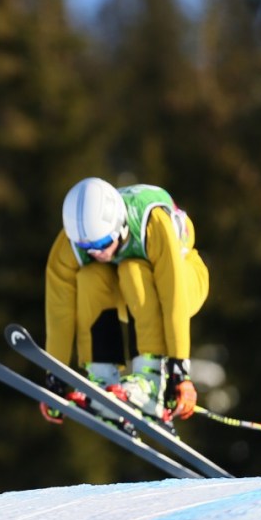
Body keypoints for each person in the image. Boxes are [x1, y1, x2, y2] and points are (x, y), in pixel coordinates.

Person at [41, 177, 208, 425]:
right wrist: (55, 375)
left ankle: (151, 381)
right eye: (86, 246)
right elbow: (59, 313)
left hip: (186, 282)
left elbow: (174, 299)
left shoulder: (151, 224)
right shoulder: (73, 242)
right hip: (131, 302)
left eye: (100, 243)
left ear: (119, 226)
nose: (95, 252)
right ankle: (103, 378)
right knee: (90, 275)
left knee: (133, 269)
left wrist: (179, 370)